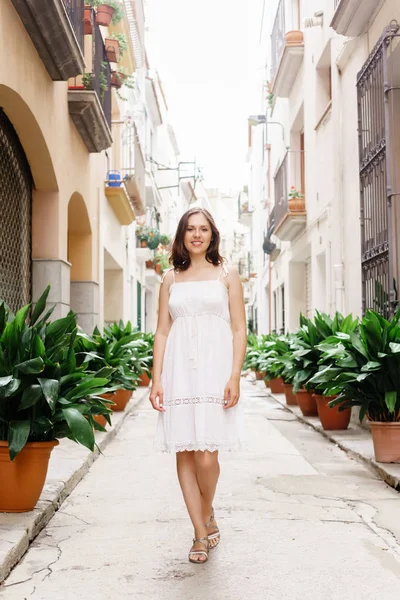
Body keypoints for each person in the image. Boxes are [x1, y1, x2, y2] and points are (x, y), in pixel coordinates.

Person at [149, 207, 247, 565]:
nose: (196, 235)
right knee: (185, 453)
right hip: (179, 373)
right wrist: (156, 378)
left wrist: (234, 375)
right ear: (181, 235)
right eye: (190, 229)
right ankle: (199, 534)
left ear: (212, 234)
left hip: (215, 371)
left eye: (203, 229)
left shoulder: (227, 274)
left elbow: (239, 329)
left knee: (207, 457)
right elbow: (162, 331)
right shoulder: (170, 278)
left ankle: (207, 512)